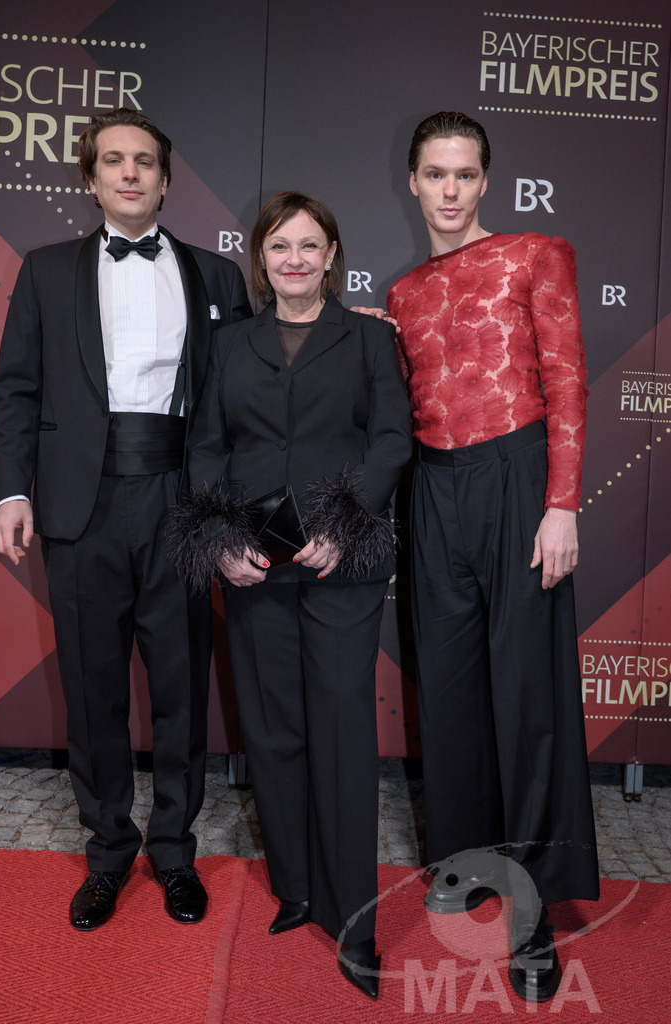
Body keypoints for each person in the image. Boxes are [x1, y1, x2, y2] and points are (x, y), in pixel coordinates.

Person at [0, 108, 251, 930]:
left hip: (179, 500)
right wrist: (12, 491)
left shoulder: (216, 277)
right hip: (80, 506)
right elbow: (15, 393)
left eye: (145, 161)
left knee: (179, 690)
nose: (130, 173)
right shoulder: (44, 270)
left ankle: (173, 853)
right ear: (91, 178)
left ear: (166, 179)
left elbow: (244, 396)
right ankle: (107, 852)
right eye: (114, 161)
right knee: (93, 689)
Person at [168, 191, 412, 1000]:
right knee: (272, 732)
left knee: (341, 737)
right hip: (253, 566)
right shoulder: (228, 343)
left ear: (332, 255)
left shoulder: (371, 339)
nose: (296, 259)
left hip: (342, 564)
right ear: (260, 259)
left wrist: (347, 523)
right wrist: (221, 538)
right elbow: (205, 445)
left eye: (310, 246)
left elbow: (390, 440)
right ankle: (296, 888)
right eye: (280, 248)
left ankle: (352, 919)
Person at [386, 112, 599, 1003]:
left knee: (526, 699)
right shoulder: (399, 293)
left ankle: (533, 912)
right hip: (433, 493)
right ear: (411, 181)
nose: (447, 190)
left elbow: (567, 381)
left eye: (463, 175)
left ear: (484, 181)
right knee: (447, 689)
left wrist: (559, 505)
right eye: (433, 173)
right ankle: (469, 862)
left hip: (518, 482)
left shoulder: (534, 253)